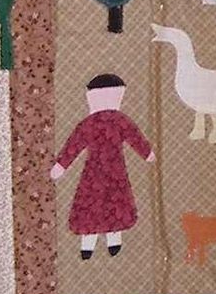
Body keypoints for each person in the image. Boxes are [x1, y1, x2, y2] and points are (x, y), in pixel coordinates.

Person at [51, 74, 153, 259]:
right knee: (115, 204)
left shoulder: (90, 122)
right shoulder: (119, 120)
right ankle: (112, 242)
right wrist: (147, 154)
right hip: (115, 171)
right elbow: (135, 137)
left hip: (94, 172)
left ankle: (88, 246)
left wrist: (61, 165)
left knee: (91, 205)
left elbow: (74, 145)